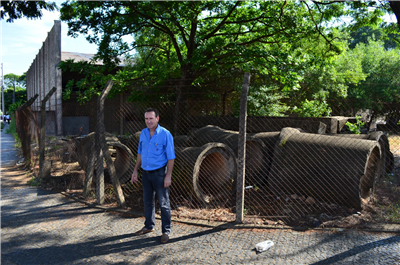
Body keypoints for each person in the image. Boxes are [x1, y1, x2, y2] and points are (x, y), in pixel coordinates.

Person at [131, 108, 175, 244]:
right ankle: (149, 226)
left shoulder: (165, 134)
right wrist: (135, 170)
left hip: (160, 174)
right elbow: (140, 153)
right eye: (146, 119)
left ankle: (166, 231)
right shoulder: (143, 134)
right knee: (148, 201)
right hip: (146, 173)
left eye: (151, 118)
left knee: (163, 203)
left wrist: (168, 176)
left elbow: (171, 157)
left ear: (157, 119)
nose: (148, 121)